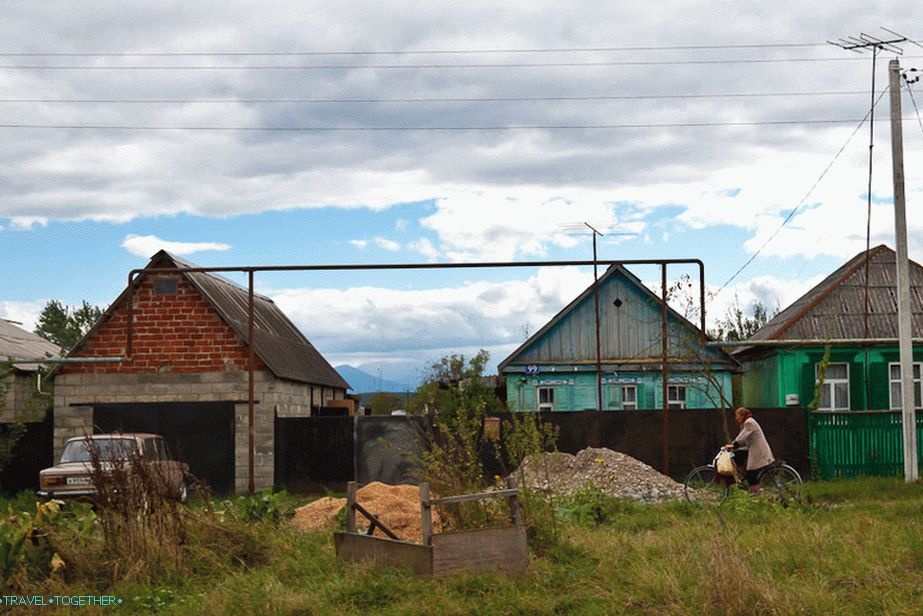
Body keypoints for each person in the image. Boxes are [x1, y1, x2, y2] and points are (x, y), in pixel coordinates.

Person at [724, 407, 774, 495]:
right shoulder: (745, 423)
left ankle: (756, 494)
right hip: (753, 449)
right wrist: (733, 445)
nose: (736, 418)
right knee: (736, 455)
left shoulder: (749, 422)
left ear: (742, 416)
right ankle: (743, 475)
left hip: (758, 451)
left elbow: (743, 436)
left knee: (751, 473)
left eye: (737, 416)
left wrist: (734, 445)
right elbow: (741, 436)